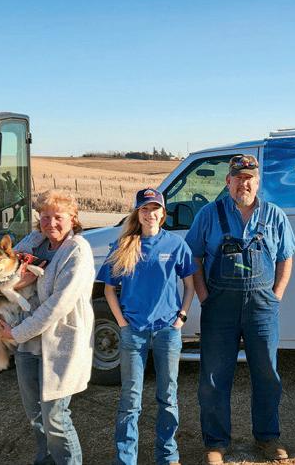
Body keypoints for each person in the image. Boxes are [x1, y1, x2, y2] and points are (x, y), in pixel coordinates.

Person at [185, 155, 295, 464]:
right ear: (228, 182)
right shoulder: (208, 214)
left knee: (267, 374)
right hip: (219, 308)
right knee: (214, 376)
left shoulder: (274, 215)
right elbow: (194, 257)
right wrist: (204, 297)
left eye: (249, 179)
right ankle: (216, 443)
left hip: (262, 308)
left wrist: (276, 295)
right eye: (238, 178)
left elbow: (286, 257)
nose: (243, 184)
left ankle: (267, 437)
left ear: (257, 182)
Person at [99, 188, 196, 465]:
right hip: (134, 332)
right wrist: (122, 323)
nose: (150, 214)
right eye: (144, 209)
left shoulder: (176, 245)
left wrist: (181, 318)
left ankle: (167, 455)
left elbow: (189, 285)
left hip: (167, 331)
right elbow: (108, 289)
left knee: (168, 396)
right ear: (137, 213)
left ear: (163, 214)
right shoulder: (124, 246)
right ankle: (125, 459)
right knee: (131, 399)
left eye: (155, 209)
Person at [0, 189, 96, 465]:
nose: (50, 223)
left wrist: (16, 333)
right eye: (44, 216)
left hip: (61, 343)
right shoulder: (32, 243)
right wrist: (17, 282)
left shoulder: (77, 250)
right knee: (36, 417)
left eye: (58, 217)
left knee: (55, 418)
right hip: (29, 346)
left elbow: (58, 305)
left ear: (73, 218)